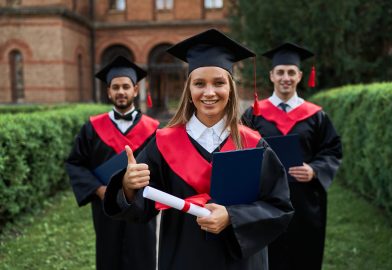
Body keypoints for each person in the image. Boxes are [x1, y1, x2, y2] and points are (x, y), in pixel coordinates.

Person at [103, 29, 294, 270]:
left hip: (242, 262)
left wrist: (232, 217)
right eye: (200, 83)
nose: (209, 92)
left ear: (231, 89)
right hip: (185, 257)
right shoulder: (163, 143)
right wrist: (128, 187)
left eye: (219, 83)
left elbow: (279, 206)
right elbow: (142, 207)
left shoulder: (253, 144)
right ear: (189, 91)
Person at [241, 42, 343, 270]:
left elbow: (332, 149)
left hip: (305, 200)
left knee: (304, 253)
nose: (285, 77)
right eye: (280, 72)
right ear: (271, 76)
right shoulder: (254, 115)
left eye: (290, 72)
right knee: (268, 254)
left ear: (299, 76)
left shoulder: (316, 116)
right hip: (264, 198)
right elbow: (239, 149)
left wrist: (315, 170)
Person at [65, 56, 159, 270]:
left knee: (142, 255)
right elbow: (75, 163)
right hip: (105, 208)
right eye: (115, 87)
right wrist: (99, 190)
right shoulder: (91, 128)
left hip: (140, 206)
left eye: (126, 86)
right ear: (108, 92)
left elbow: (161, 169)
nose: (121, 92)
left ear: (135, 90)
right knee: (109, 256)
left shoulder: (153, 129)